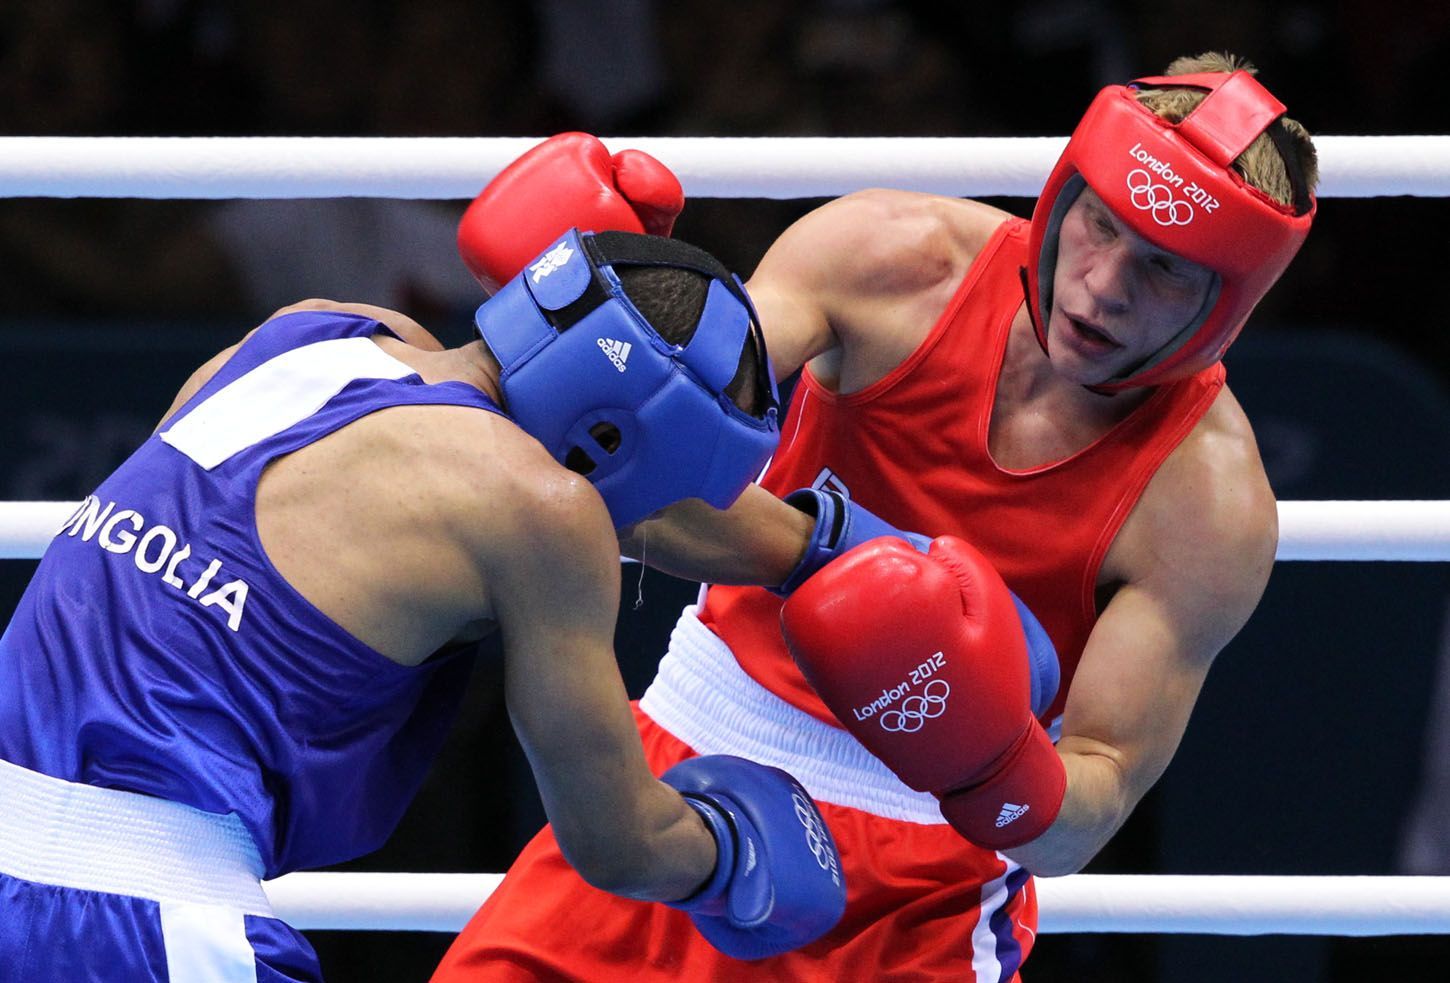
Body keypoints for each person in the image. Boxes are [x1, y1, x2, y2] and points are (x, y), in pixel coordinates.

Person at [432, 50, 1318, 981]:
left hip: (920, 887)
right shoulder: (889, 261)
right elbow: (624, 476)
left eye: (1164, 270)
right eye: (1101, 226)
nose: (1102, 286)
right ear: (1065, 195)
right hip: (680, 766)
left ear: (1229, 303)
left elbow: (1083, 817)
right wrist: (822, 547)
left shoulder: (1206, 503)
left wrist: (995, 762)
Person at [0, 214, 851, 978]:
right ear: (613, 437)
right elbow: (621, 841)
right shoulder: (541, 509)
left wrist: (824, 546)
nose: (661, 510)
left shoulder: (311, 333)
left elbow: (605, 495)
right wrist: (729, 848)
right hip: (141, 917)